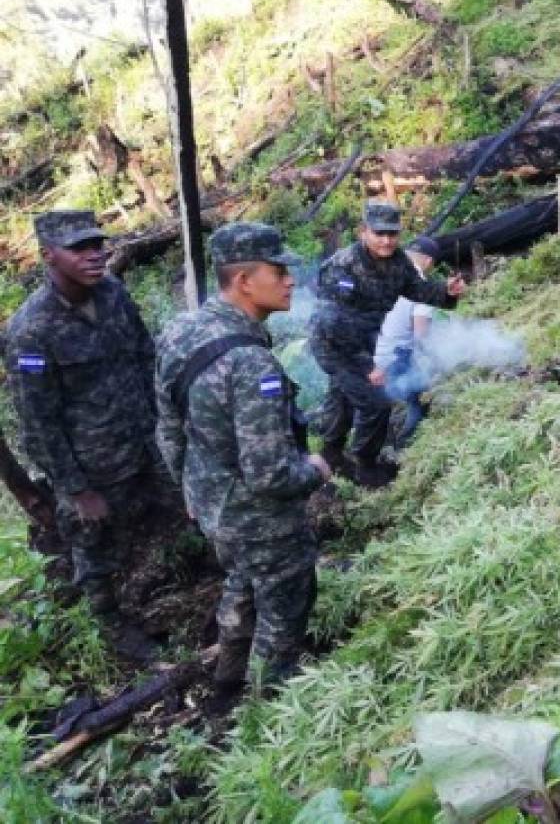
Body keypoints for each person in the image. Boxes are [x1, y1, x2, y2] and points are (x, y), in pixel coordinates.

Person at [155, 223, 332, 690]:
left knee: (241, 582)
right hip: (260, 518)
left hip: (212, 504)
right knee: (283, 607)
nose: (291, 280)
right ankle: (268, 703)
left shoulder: (181, 330)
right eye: (280, 271)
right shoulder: (252, 364)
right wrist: (314, 470)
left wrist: (189, 491)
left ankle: (226, 683)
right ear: (244, 281)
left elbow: (169, 425)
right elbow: (270, 475)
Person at [4, 210, 164, 651]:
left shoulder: (114, 293)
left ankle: (188, 578)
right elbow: (36, 421)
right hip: (93, 465)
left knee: (183, 510)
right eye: (79, 249)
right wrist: (75, 489)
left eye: (97, 245)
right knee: (95, 550)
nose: (94, 255)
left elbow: (144, 356)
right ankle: (112, 624)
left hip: (147, 441)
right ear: (48, 256)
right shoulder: (29, 331)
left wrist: (166, 425)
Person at [310, 202, 464, 486]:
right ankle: (364, 466)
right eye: (379, 233)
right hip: (333, 343)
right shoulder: (343, 267)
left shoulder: (398, 263)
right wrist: (368, 366)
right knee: (376, 403)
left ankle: (332, 454)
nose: (386, 240)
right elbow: (334, 323)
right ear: (363, 232)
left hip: (365, 338)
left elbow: (419, 290)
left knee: (344, 394)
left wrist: (447, 292)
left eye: (392, 234)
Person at [368, 236, 439, 451]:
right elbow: (421, 337)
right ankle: (403, 448)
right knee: (422, 397)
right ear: (427, 261)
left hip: (368, 357)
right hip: (393, 362)